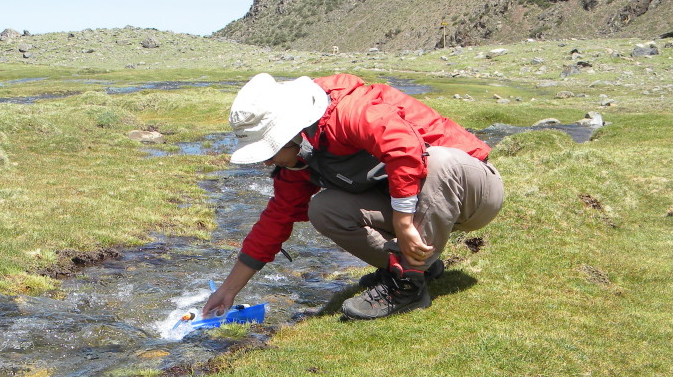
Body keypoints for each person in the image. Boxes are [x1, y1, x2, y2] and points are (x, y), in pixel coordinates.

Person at [201, 73, 504, 321]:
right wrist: (228, 290)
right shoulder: (299, 159)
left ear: (292, 133)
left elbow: (404, 149)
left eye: (269, 151)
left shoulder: (350, 111)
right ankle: (415, 268)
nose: (266, 162)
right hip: (419, 208)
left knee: (437, 160)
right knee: (324, 208)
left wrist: (403, 221)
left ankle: (406, 286)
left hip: (473, 193)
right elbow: (275, 222)